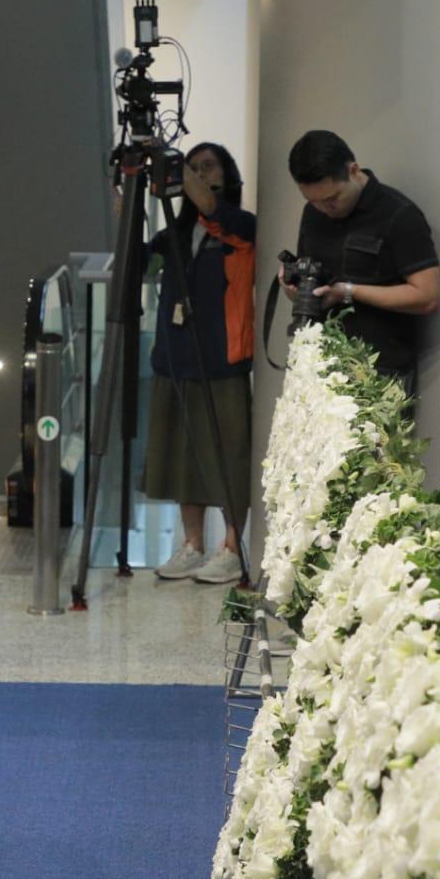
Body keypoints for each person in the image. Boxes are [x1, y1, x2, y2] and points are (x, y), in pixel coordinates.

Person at [140, 141, 256, 585]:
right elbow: (140, 258)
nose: (199, 175)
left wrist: (164, 154)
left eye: (208, 167)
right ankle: (192, 544)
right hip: (175, 356)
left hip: (222, 359)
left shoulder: (239, 226)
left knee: (228, 455)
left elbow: (210, 204)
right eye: (192, 168)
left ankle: (231, 547)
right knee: (182, 454)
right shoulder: (175, 234)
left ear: (227, 176)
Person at [286, 129, 440, 394]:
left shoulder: (398, 214)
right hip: (319, 360)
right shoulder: (313, 213)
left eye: (332, 199)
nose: (325, 209)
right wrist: (294, 287)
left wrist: (349, 292)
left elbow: (428, 296)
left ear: (354, 171)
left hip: (379, 369)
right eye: (313, 202)